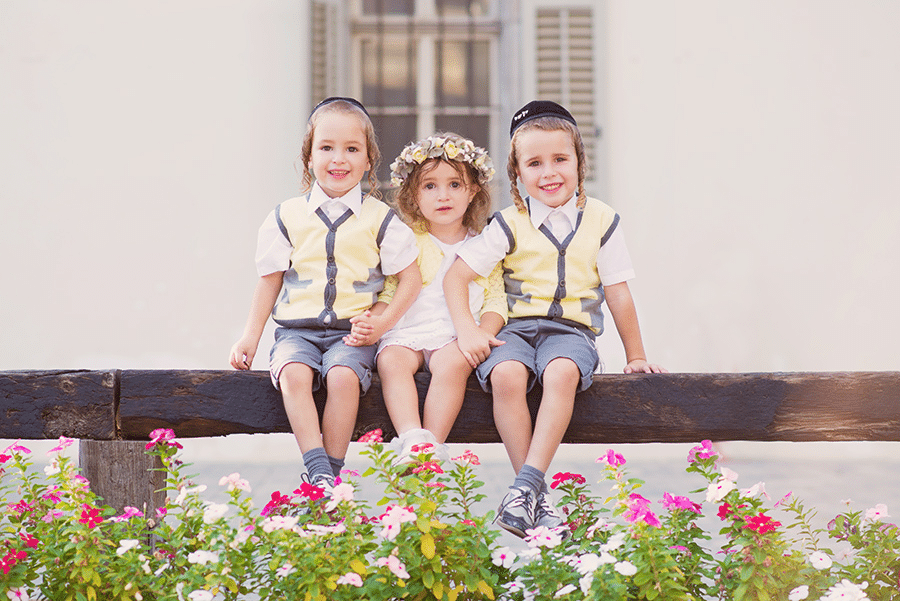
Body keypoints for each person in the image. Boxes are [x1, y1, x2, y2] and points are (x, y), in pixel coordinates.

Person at [443, 100, 667, 538]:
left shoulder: (601, 220)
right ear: (517, 173)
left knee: (561, 373)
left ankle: (523, 488)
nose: (549, 173)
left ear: (580, 161)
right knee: (506, 373)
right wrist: (467, 330)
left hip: (571, 332)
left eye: (560, 159)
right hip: (515, 330)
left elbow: (618, 293)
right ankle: (533, 495)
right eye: (534, 163)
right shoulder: (508, 223)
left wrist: (636, 355)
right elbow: (457, 276)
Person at [229, 97, 421, 490]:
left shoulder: (380, 219)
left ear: (368, 160)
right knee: (294, 375)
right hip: (296, 332)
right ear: (309, 157)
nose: (339, 159)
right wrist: (250, 336)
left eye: (352, 149)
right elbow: (270, 280)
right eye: (327, 148)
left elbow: (411, 278)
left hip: (352, 333)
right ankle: (317, 468)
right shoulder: (285, 217)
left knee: (343, 377)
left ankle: (329, 477)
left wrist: (383, 323)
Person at [349, 132, 506, 462]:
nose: (443, 195)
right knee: (391, 361)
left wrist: (483, 332)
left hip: (455, 334)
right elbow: (391, 290)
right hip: (408, 329)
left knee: (454, 363)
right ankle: (412, 437)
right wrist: (374, 320)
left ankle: (431, 446)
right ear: (413, 195)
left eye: (455, 184)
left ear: (473, 191)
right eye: (430, 186)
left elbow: (495, 300)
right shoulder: (407, 240)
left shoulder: (484, 244)